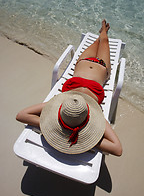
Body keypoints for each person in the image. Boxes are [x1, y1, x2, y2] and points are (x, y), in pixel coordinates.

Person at [16, 20, 122, 156]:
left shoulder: (62, 105)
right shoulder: (94, 116)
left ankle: (100, 33)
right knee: (104, 42)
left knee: (97, 42)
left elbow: (21, 115)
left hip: (82, 64)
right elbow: (117, 149)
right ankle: (104, 32)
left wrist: (51, 126)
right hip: (102, 69)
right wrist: (88, 137)